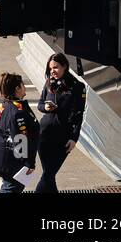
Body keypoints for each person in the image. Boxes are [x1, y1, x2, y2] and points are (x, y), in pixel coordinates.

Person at [35, 52, 86, 193]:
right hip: (44, 135)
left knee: (48, 175)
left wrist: (74, 138)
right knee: (49, 176)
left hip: (63, 137)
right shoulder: (49, 83)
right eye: (50, 68)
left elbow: (79, 115)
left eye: (56, 67)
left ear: (64, 66)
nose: (52, 71)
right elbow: (40, 105)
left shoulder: (77, 87)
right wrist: (45, 107)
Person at [0, 72, 39, 193]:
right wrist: (29, 164)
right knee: (12, 188)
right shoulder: (17, 112)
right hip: (10, 162)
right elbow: (21, 141)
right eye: (23, 85)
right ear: (17, 88)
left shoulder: (2, 105)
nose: (25, 87)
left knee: (8, 187)